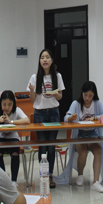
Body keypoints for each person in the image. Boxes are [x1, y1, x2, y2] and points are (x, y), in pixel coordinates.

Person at [27, 49, 64, 188]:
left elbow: (60, 96)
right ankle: (43, 174)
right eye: (42, 57)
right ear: (40, 61)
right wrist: (32, 91)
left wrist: (56, 94)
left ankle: (50, 175)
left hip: (54, 112)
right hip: (40, 113)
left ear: (52, 60)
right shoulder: (35, 77)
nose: (45, 60)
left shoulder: (57, 76)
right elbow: (32, 100)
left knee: (51, 145)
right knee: (42, 145)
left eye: (47, 57)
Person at [63, 81, 103, 193]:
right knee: (82, 151)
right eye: (85, 95)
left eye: (90, 96)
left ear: (94, 95)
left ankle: (96, 182)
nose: (87, 98)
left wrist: (96, 118)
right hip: (80, 135)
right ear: (81, 93)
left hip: (93, 134)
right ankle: (80, 175)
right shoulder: (76, 104)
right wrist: (70, 118)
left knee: (98, 150)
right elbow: (66, 118)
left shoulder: (97, 103)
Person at [0, 90, 30, 188]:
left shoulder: (17, 110)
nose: (7, 107)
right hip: (0, 138)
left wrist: (12, 121)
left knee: (15, 152)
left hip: (13, 138)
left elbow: (27, 120)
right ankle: (4, 180)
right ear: (0, 103)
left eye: (9, 104)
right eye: (4, 104)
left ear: (13, 104)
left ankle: (13, 181)